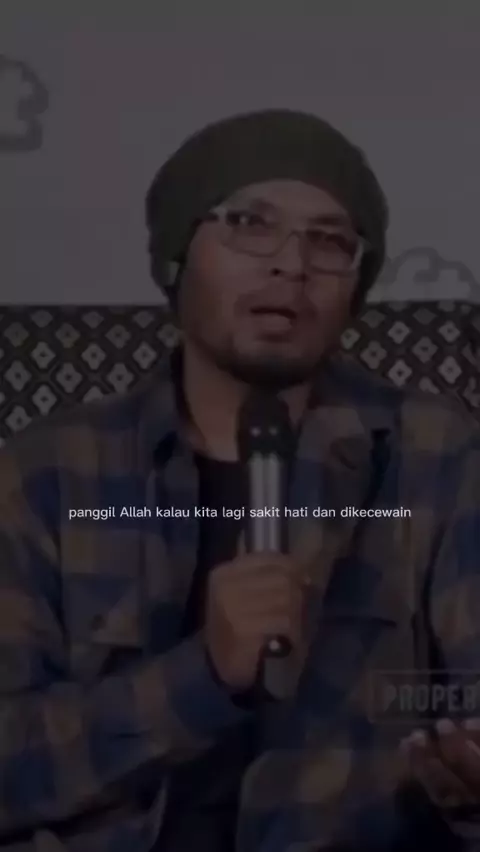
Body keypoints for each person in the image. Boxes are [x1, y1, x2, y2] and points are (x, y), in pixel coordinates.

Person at [1, 108, 480, 852]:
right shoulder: (46, 473)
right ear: (177, 258)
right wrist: (203, 675)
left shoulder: (438, 455)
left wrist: (463, 777)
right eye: (250, 224)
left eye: (330, 241)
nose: (292, 264)